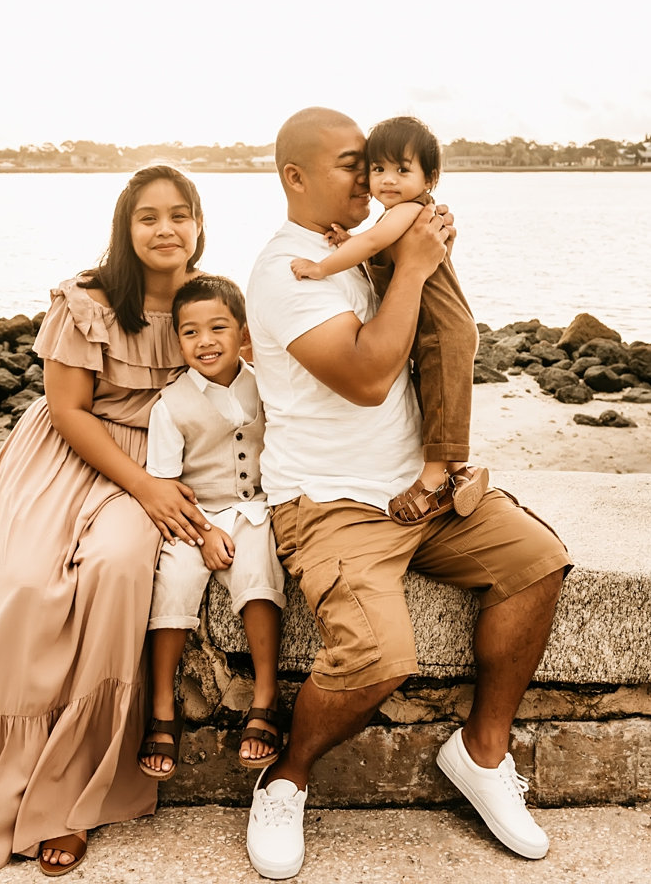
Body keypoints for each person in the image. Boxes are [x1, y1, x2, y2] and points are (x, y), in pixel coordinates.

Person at [242, 107, 572, 879]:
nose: (372, 176)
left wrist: (444, 460)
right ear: (294, 177)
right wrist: (417, 265)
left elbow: (439, 340)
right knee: (382, 655)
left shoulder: (365, 241)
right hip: (332, 506)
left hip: (422, 495)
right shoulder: (284, 269)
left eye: (378, 164)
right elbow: (365, 377)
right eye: (353, 164)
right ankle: (286, 776)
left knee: (537, 560)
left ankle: (482, 755)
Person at [0, 165, 215, 878]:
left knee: (120, 569)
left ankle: (71, 799)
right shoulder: (88, 302)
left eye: (179, 214)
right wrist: (149, 490)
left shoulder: (209, 304)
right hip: (71, 454)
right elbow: (67, 412)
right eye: (148, 217)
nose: (165, 229)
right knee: (25, 584)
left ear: (198, 224)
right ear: (126, 229)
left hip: (158, 464)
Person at [289, 115, 488, 527]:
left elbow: (376, 242)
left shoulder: (411, 211)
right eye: (378, 169)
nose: (386, 180)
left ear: (429, 178)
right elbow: (375, 244)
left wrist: (322, 267)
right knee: (435, 397)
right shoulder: (397, 216)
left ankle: (433, 479)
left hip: (443, 327)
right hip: (429, 325)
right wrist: (349, 241)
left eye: (402, 169)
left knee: (441, 396)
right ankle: (459, 476)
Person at [138, 273, 286, 780]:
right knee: (173, 582)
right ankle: (162, 707)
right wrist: (202, 532)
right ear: (177, 339)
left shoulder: (268, 383)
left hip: (256, 509)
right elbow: (166, 484)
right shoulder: (171, 404)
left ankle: (266, 694)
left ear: (243, 333)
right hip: (193, 515)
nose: (205, 342)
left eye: (218, 328)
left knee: (258, 576)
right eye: (191, 332)